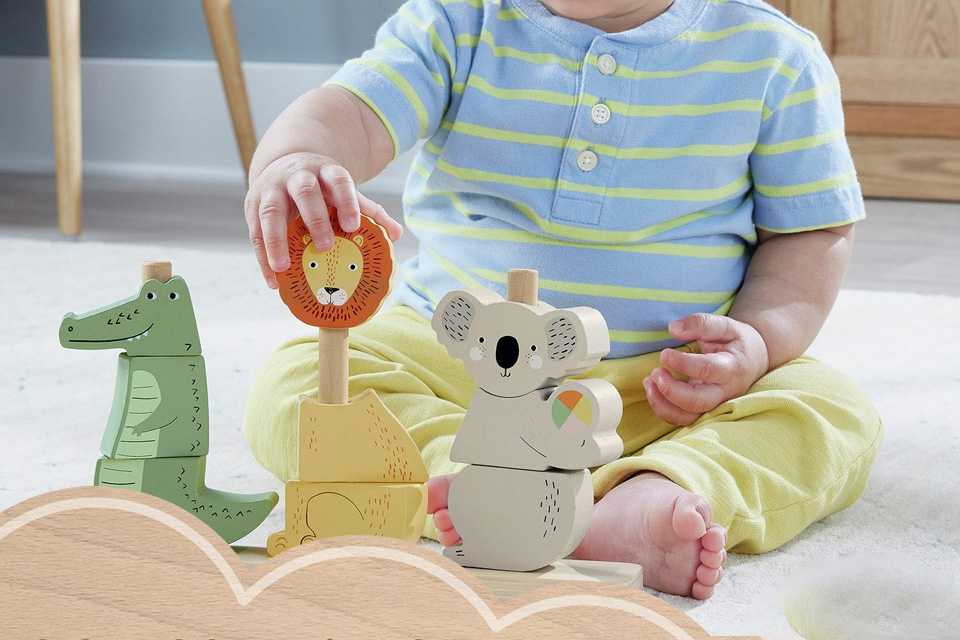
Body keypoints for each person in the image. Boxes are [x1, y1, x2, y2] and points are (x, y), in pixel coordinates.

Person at [241, 0, 882, 599]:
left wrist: (757, 340)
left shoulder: (772, 55)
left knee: (831, 411)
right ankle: (472, 486)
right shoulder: (456, 23)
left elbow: (809, 233)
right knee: (304, 381)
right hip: (460, 372)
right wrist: (298, 157)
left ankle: (656, 489)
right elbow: (350, 112)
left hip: (665, 389)